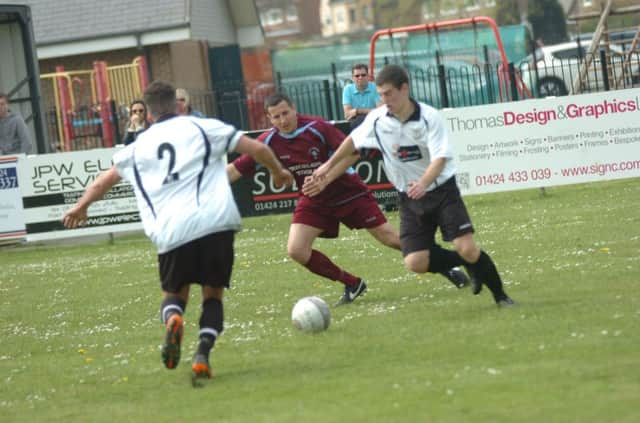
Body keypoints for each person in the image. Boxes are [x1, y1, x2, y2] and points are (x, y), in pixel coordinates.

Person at [62, 80, 294, 385]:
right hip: (215, 222)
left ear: (148, 114)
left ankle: (173, 319)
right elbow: (258, 148)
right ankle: (202, 356)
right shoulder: (202, 127)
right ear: (177, 104)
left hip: (172, 230)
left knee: (175, 295)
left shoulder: (138, 146)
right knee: (213, 295)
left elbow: (103, 181)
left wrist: (81, 207)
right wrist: (278, 171)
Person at [227, 92, 468, 306]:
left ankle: (447, 265)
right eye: (276, 117)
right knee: (296, 250)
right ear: (269, 120)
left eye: (285, 113)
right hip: (314, 200)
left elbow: (353, 152)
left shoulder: (317, 127)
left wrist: (326, 177)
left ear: (294, 109)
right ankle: (352, 283)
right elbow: (235, 170)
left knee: (391, 238)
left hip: (347, 191)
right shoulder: (268, 141)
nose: (283, 120)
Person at [304, 65, 516, 307]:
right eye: (381, 94)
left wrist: (424, 182)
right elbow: (353, 141)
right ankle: (469, 264)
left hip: (442, 190)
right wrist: (327, 166)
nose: (384, 100)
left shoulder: (429, 117)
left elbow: (440, 158)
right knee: (415, 261)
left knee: (467, 247)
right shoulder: (377, 118)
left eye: (389, 94)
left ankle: (502, 298)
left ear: (405, 89)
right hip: (409, 197)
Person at [342, 64, 381, 130]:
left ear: (368, 76)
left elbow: (380, 111)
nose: (360, 77)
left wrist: (357, 111)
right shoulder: (347, 89)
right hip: (356, 125)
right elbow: (347, 114)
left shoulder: (375, 87)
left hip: (375, 122)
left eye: (363, 75)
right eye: (357, 76)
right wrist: (369, 111)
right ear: (352, 78)